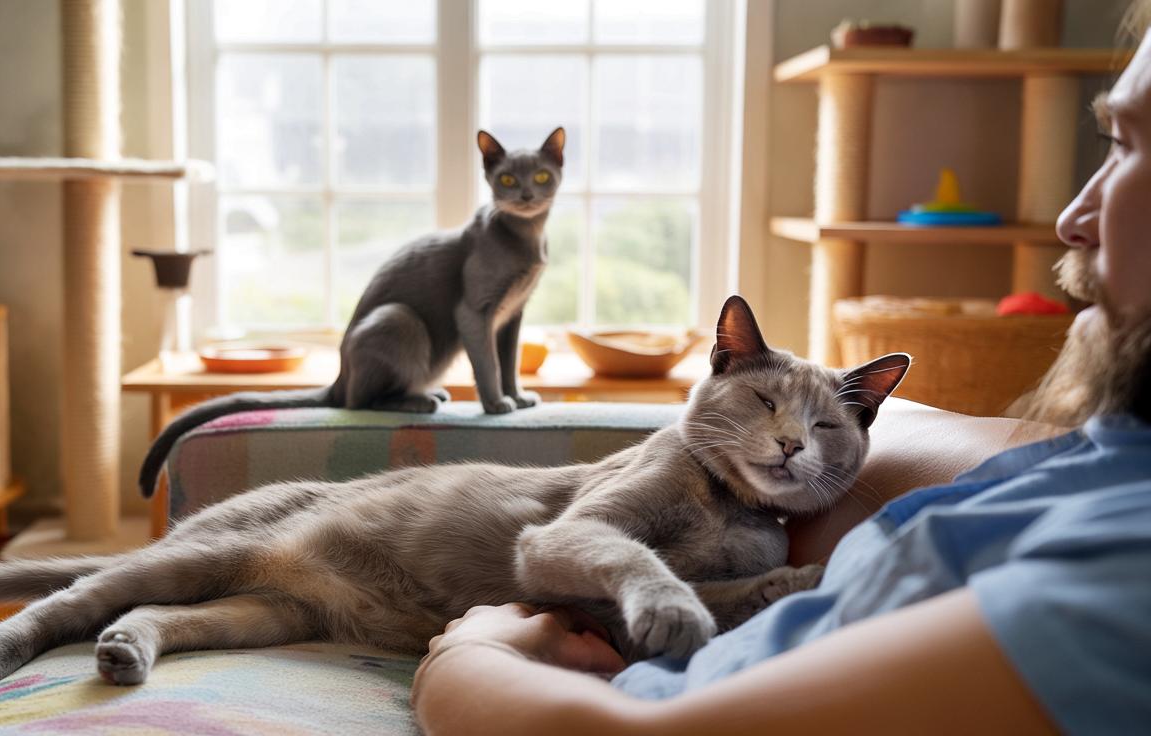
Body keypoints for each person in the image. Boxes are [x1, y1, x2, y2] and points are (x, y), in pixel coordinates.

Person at [410, 15, 1151, 736]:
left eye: (1123, 145)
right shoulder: (1107, 461)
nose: (1071, 215)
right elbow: (903, 429)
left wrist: (470, 653)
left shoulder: (1118, 583)